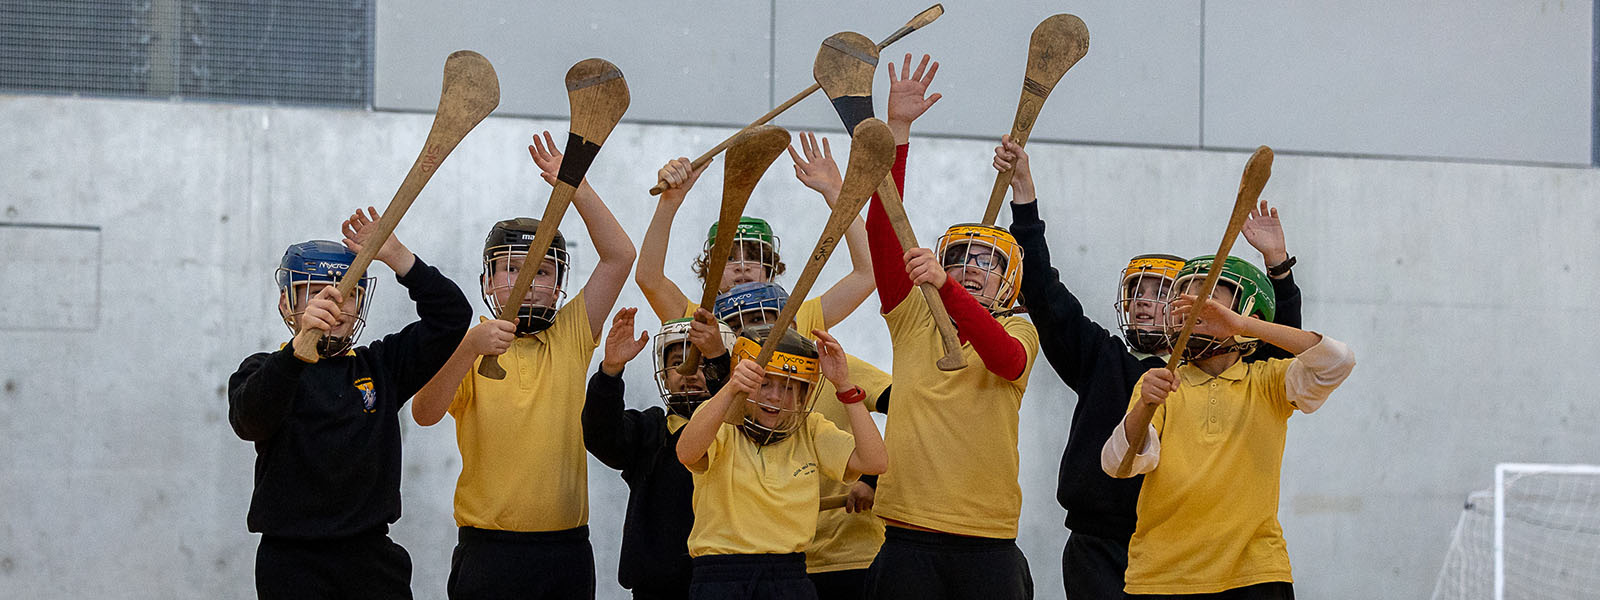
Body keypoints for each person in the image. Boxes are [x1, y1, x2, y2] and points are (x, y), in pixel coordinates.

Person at [993, 134, 1306, 598]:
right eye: (1137, 292)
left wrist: (1278, 267)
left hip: (1183, 554)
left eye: (1160, 293)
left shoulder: (1226, 369)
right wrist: (1024, 196)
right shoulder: (1102, 356)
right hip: (1099, 547)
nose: (1143, 304)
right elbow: (1042, 292)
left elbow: (1280, 349)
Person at [410, 132, 635, 599]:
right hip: (488, 551)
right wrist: (470, 347)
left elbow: (620, 256)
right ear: (489, 278)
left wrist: (576, 188)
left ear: (558, 285)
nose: (527, 282)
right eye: (512, 268)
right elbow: (424, 412)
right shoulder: (469, 342)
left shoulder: (574, 332)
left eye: (543, 271)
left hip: (566, 549)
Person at [859, 53, 1041, 600]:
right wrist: (898, 133)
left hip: (987, 540)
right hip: (907, 536)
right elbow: (884, 230)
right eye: (958, 259)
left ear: (1010, 278)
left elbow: (1005, 360)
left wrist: (948, 287)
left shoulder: (1021, 329)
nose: (968, 269)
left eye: (984, 261)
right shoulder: (914, 313)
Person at [228, 208, 470, 599]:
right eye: (316, 292)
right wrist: (295, 351)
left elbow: (452, 317)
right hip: (292, 565)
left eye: (348, 291)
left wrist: (399, 257)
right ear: (286, 304)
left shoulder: (381, 366)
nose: (333, 303)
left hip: (371, 560)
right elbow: (250, 421)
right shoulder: (263, 370)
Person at [1101, 256, 1355, 598]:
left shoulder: (1270, 382)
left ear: (1247, 314)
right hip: (1161, 577)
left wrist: (1243, 326)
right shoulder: (1160, 383)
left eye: (1207, 299)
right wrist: (1145, 405)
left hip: (1256, 574)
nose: (1190, 308)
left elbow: (1338, 362)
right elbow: (1118, 465)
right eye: (1184, 298)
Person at [676, 326, 889, 600]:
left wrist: (845, 386)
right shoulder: (720, 419)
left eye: (789, 387)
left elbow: (874, 462)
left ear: (804, 395)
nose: (775, 396)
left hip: (790, 575)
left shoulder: (811, 428)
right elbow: (687, 453)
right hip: (721, 575)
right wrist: (730, 389)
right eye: (764, 383)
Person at [636, 132, 874, 330]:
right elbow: (649, 279)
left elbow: (868, 273)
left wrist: (837, 196)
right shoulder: (694, 320)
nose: (742, 266)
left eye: (753, 256)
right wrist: (669, 202)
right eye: (729, 258)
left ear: (771, 268)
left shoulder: (797, 317)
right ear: (709, 272)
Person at [581, 309, 736, 600]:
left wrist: (723, 371)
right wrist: (610, 372)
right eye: (678, 363)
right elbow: (601, 436)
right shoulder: (649, 429)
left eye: (703, 364)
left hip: (725, 581)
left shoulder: (739, 434)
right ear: (663, 374)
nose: (690, 372)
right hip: (657, 587)